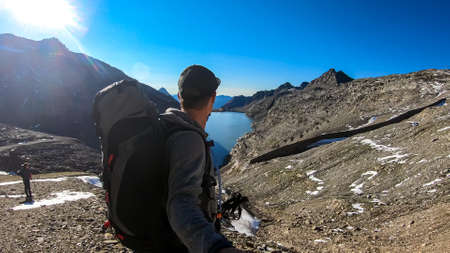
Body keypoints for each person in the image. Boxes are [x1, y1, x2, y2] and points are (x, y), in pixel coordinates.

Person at [162, 65, 244, 253]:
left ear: (179, 97)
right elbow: (181, 203)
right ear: (213, 99)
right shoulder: (189, 140)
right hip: (181, 244)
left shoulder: (166, 125)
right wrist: (216, 247)